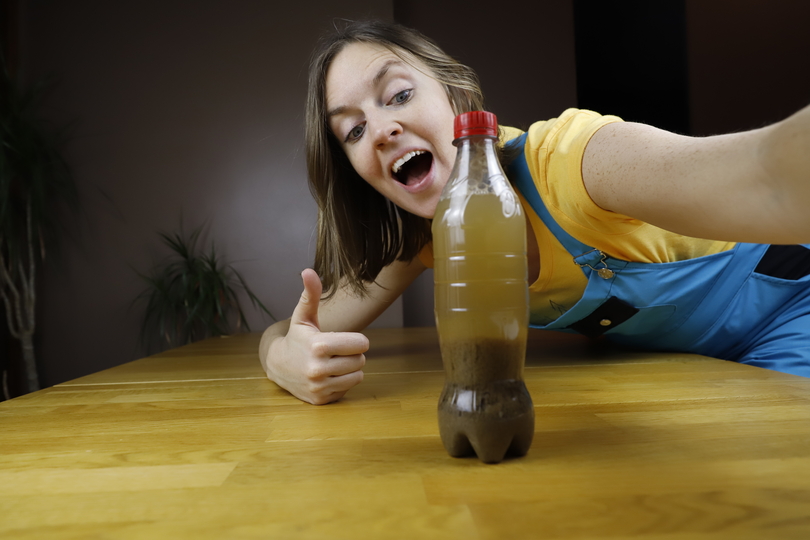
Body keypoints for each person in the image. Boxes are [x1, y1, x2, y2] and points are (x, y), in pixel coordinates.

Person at [259, 20, 810, 405]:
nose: (380, 131)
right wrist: (282, 360)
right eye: (352, 130)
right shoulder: (428, 236)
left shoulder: (570, 162)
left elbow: (764, 172)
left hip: (793, 306)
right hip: (703, 368)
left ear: (455, 94)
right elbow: (295, 327)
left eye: (398, 95)